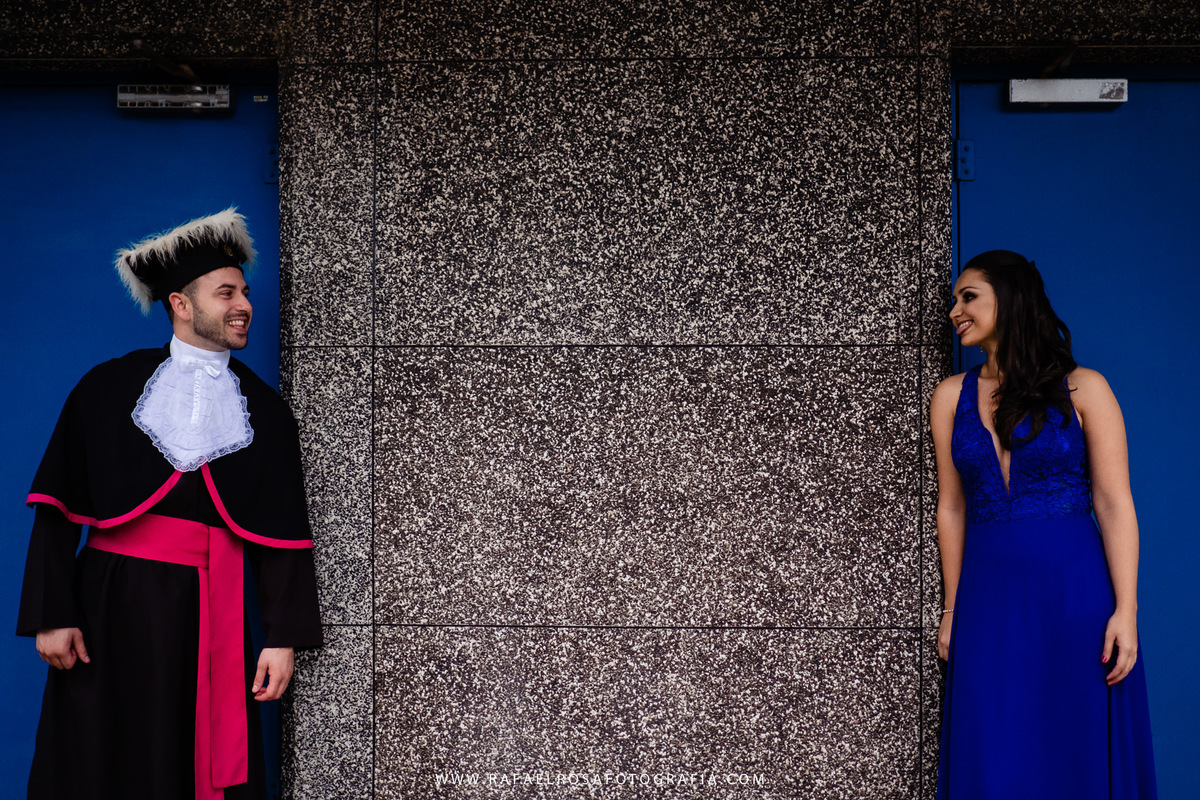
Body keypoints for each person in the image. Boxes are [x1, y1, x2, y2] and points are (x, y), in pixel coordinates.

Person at [16, 209, 322, 799]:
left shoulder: (266, 412)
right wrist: (52, 615)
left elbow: (283, 537)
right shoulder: (105, 388)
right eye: (226, 293)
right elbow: (55, 508)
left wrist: (281, 639)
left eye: (245, 293)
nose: (244, 305)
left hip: (210, 612)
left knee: (190, 760)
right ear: (181, 303)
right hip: (108, 607)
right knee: (101, 758)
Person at [931, 250, 1156, 798]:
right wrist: (952, 610)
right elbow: (951, 508)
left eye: (968, 297)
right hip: (988, 599)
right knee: (993, 744)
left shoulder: (1086, 388)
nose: (955, 311)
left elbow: (1114, 502)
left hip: (1074, 594)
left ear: (1010, 299)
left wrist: (1126, 610)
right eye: (954, 300)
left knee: (1074, 739)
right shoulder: (949, 396)